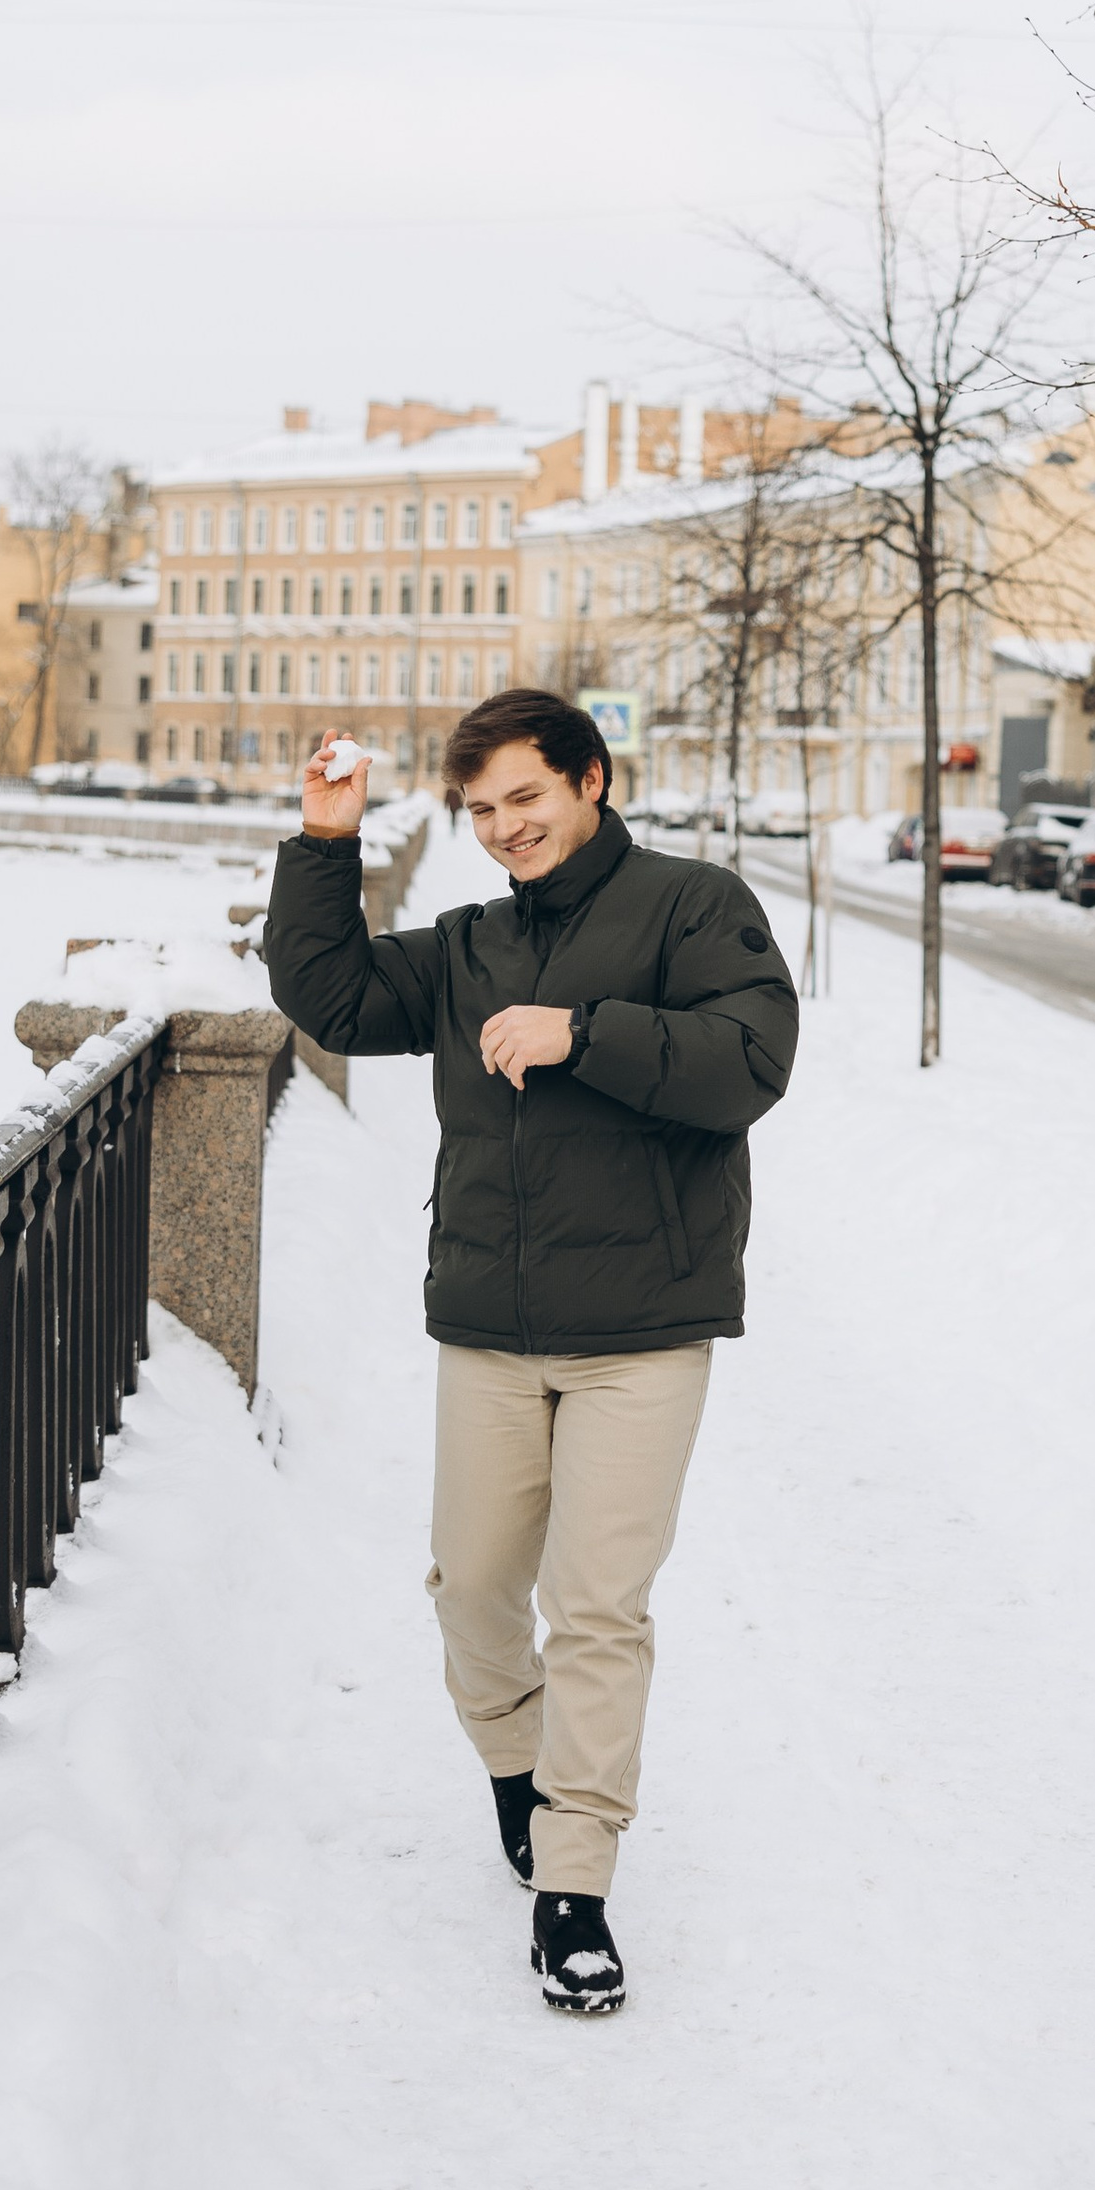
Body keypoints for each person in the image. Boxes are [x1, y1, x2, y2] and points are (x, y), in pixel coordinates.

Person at [267, 691, 798, 2015]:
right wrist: (325, 842)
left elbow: (752, 1058)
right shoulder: (467, 948)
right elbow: (329, 997)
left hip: (645, 1334)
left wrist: (588, 1033)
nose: (508, 828)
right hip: (491, 1330)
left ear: (592, 781)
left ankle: (575, 1888)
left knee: (599, 1607)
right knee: (473, 1595)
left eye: (527, 797)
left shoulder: (692, 905)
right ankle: (519, 1771)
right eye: (484, 811)